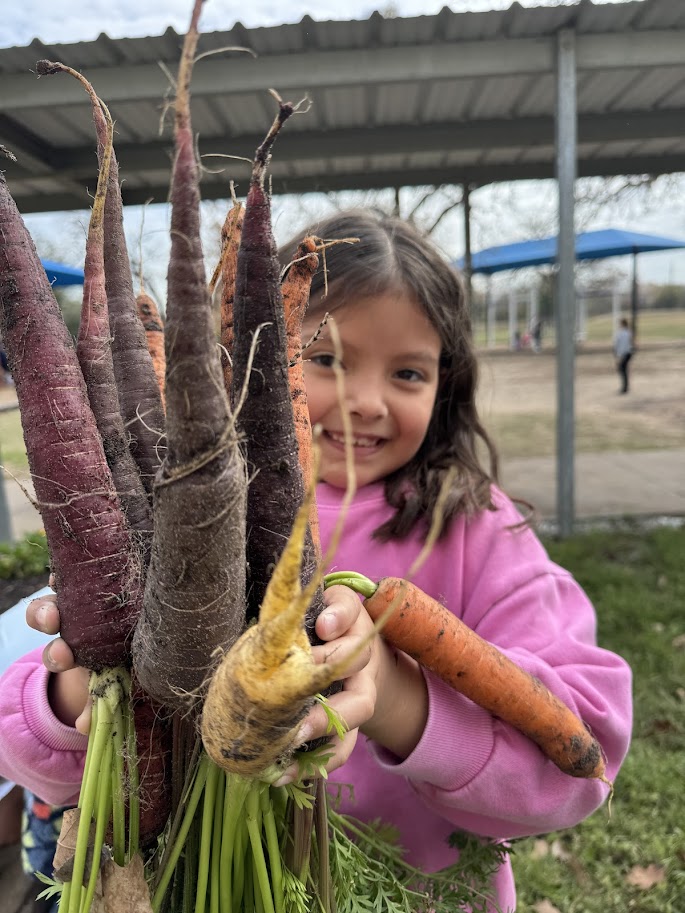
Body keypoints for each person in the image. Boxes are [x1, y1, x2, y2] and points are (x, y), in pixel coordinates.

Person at [0, 209, 632, 912]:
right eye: (325, 359)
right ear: (253, 363)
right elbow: (20, 747)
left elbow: (585, 755)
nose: (365, 401)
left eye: (408, 372)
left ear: (446, 385)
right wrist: (87, 687)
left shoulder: (478, 530)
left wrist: (393, 692)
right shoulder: (178, 522)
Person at [613, 317, 634, 394]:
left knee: (622, 370)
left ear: (622, 324)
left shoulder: (620, 333)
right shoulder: (629, 332)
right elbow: (631, 343)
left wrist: (618, 355)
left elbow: (617, 345)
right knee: (624, 370)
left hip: (623, 354)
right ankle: (625, 387)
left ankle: (624, 388)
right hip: (628, 353)